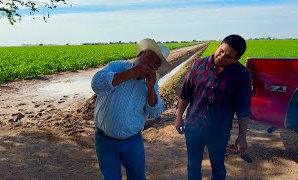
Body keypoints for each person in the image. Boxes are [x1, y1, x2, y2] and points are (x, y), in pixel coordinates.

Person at [174, 34, 251, 180]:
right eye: (221, 51)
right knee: (193, 164)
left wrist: (242, 137)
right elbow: (185, 93)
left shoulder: (242, 75)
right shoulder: (198, 65)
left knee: (218, 165)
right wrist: (178, 117)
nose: (221, 56)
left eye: (228, 56)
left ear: (236, 59)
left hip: (219, 130)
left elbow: (243, 108)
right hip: (194, 126)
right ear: (218, 46)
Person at [91, 38, 170, 180]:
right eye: (150, 58)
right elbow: (96, 83)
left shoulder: (152, 82)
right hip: (104, 139)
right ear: (140, 54)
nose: (151, 64)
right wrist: (132, 73)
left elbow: (155, 112)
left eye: (155, 64)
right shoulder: (118, 66)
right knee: (110, 177)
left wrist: (151, 88)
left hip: (133, 141)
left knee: (137, 176)